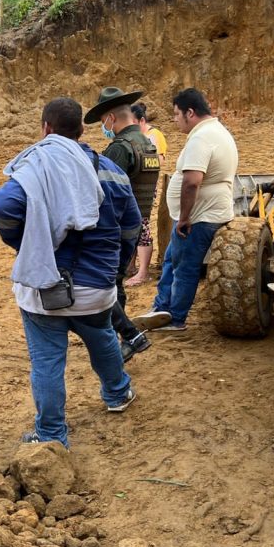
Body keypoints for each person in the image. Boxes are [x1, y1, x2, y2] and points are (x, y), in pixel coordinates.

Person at [0, 97, 141, 448]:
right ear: (82, 130)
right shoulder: (111, 172)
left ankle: (52, 434)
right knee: (102, 337)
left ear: (46, 129)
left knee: (47, 361)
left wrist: (28, 245)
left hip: (45, 289)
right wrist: (114, 271)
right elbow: (131, 227)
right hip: (97, 287)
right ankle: (118, 393)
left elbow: (2, 206)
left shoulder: (36, 170)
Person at [134, 88, 238, 333]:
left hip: (199, 216)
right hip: (206, 212)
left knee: (184, 266)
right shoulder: (216, 132)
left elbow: (192, 181)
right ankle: (162, 308)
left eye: (176, 114)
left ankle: (175, 317)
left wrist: (184, 218)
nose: (174, 119)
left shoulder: (202, 138)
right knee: (172, 260)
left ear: (190, 112)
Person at [83, 87, 159, 364]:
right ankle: (119, 337)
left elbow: (104, 191)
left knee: (103, 284)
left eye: (103, 121)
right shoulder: (148, 143)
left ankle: (129, 336)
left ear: (111, 118)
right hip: (136, 224)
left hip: (115, 228)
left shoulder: (119, 149)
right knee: (116, 283)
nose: (104, 127)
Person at [127, 102, 167, 287]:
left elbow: (159, 160)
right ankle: (132, 266)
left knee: (142, 227)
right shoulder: (139, 136)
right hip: (134, 187)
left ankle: (143, 271)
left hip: (145, 188)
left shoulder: (153, 135)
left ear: (141, 120)